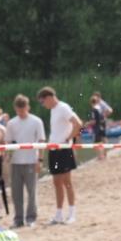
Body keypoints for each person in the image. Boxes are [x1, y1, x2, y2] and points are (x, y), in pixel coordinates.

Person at [37, 86, 83, 224]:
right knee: (56, 182)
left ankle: (72, 214)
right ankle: (58, 214)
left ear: (49, 97)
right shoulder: (54, 110)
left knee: (67, 182)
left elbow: (78, 124)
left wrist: (69, 138)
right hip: (54, 149)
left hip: (63, 149)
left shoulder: (63, 107)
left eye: (42, 102)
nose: (43, 105)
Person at [4, 94, 45, 228]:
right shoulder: (11, 123)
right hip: (15, 162)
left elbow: (41, 141)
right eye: (18, 110)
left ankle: (31, 218)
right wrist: (7, 156)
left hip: (31, 160)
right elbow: (8, 141)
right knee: (16, 193)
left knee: (31, 192)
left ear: (28, 107)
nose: (21, 112)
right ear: (15, 109)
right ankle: (18, 219)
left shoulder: (36, 121)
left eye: (23, 109)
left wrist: (40, 160)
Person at [90, 93, 108, 161]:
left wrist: (87, 124)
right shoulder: (99, 108)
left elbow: (94, 121)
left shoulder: (94, 110)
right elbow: (102, 118)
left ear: (91, 102)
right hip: (102, 126)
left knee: (97, 143)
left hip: (97, 128)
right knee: (102, 141)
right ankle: (104, 154)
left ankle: (100, 157)